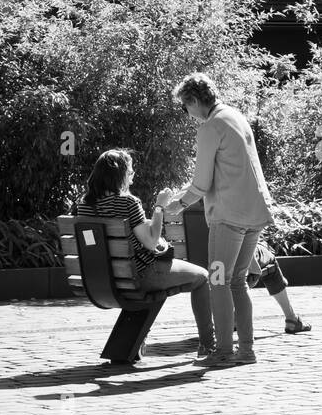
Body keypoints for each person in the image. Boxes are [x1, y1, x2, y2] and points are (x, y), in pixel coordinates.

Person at [165, 73, 274, 367]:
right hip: (255, 214)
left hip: (228, 217)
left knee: (217, 280)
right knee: (237, 281)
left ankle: (224, 351)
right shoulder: (235, 115)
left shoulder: (210, 126)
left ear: (195, 101)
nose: (187, 114)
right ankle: (246, 351)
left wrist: (177, 205)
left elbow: (201, 183)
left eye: (185, 107)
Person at [74, 149, 216, 359]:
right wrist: (159, 207)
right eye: (130, 173)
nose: (132, 177)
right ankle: (208, 345)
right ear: (119, 175)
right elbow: (150, 241)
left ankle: (135, 344)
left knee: (180, 277)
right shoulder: (128, 202)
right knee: (203, 277)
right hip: (141, 275)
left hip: (104, 280)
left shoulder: (84, 206)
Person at [247, 239, 311, 334]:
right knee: (270, 260)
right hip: (241, 253)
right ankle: (291, 319)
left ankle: (235, 318)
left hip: (221, 258)